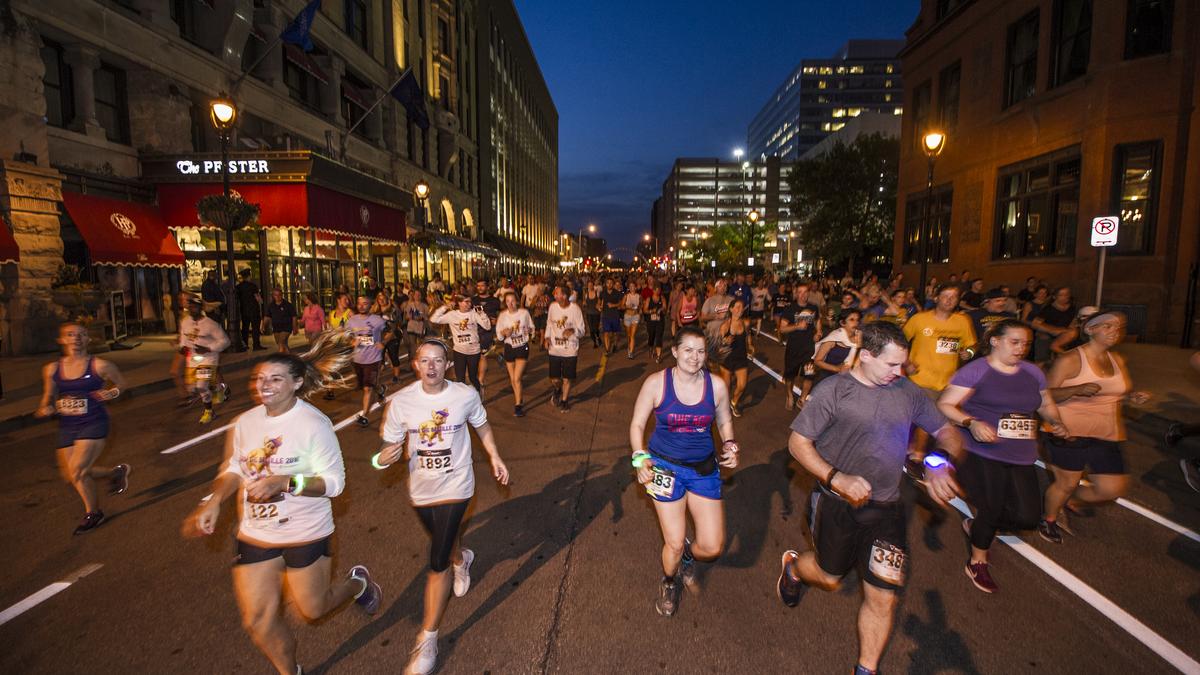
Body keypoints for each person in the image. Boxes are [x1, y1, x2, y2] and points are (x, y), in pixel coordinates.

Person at [183, 334, 381, 675]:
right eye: (259, 378)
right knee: (258, 621)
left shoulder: (314, 425)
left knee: (313, 608)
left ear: (297, 383)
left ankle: (357, 583)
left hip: (306, 533)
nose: (264, 385)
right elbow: (232, 468)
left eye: (275, 378)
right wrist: (215, 500)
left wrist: (286, 481)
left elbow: (334, 484)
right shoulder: (244, 423)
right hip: (257, 534)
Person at [776, 322, 964, 675]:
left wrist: (941, 463)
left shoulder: (908, 392)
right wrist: (837, 477)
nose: (900, 372)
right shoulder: (834, 391)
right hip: (836, 503)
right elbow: (797, 444)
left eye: (903, 364)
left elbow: (947, 431)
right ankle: (793, 568)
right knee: (829, 576)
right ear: (865, 357)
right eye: (892, 365)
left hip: (887, 509)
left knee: (883, 596)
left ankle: (866, 669)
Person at [375, 339, 510, 675]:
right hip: (421, 489)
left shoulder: (464, 395)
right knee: (446, 543)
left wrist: (494, 455)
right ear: (416, 365)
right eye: (425, 360)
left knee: (436, 561)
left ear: (448, 364)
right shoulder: (402, 402)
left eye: (438, 360)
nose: (432, 366)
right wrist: (382, 458)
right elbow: (385, 449)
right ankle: (462, 559)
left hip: (457, 484)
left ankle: (427, 639)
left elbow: (482, 424)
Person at [937, 320, 1069, 592]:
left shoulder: (1033, 373)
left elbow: (1044, 403)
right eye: (1015, 342)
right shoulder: (977, 370)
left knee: (1028, 517)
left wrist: (1055, 421)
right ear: (995, 341)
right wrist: (971, 422)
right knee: (993, 506)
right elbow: (946, 404)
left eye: (1026, 343)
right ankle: (978, 561)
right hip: (981, 451)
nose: (1021, 348)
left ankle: (978, 525)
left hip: (1021, 453)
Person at [628, 327, 739, 617]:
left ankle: (690, 556)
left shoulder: (716, 386)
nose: (695, 357)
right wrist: (640, 459)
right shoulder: (656, 383)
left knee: (713, 546)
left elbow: (725, 421)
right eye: (688, 350)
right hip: (664, 467)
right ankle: (669, 581)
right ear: (675, 351)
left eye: (700, 351)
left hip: (703, 469)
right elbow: (637, 425)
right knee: (674, 542)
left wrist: (729, 444)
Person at [1039, 311, 1149, 543]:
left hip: (1107, 433)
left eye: (1118, 327)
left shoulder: (1117, 360)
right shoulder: (1070, 360)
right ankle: (1049, 518)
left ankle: (1068, 499)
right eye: (1107, 326)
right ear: (1090, 329)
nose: (1114, 331)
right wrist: (1075, 390)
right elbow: (1044, 396)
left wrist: (1132, 398)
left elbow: (1117, 393)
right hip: (1068, 432)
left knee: (1111, 489)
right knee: (1066, 483)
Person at [35, 322, 130, 535]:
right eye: (70, 334)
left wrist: (111, 393)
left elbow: (122, 385)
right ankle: (115, 473)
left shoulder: (100, 366)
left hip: (94, 422)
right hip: (68, 424)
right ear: (62, 340)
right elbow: (48, 396)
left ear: (88, 340)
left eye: (81, 334)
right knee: (71, 474)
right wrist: (45, 407)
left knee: (77, 469)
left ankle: (92, 513)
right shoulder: (51, 369)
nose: (76, 338)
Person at [180, 297, 232, 424]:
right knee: (192, 387)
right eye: (190, 306)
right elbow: (183, 336)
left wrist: (208, 348)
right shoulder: (185, 322)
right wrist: (182, 346)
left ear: (201, 308)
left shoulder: (211, 324)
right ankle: (221, 388)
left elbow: (226, 341)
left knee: (201, 386)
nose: (192, 309)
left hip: (208, 358)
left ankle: (209, 412)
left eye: (195, 307)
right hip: (192, 359)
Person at [430, 295, 491, 392]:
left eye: (470, 302)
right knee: (460, 379)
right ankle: (463, 400)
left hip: (473, 351)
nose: (469, 304)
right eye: (466, 301)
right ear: (459, 303)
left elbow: (487, 327)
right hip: (459, 351)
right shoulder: (452, 315)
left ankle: (479, 394)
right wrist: (445, 307)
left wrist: (482, 313)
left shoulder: (474, 314)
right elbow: (433, 319)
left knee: (472, 377)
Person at [347, 295, 388, 428]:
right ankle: (381, 389)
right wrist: (351, 341)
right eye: (359, 304)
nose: (362, 306)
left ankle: (364, 415)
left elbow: (392, 331)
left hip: (373, 358)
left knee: (367, 388)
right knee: (368, 385)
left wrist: (383, 342)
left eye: (365, 304)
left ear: (370, 305)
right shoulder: (352, 321)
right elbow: (346, 337)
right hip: (357, 359)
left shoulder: (378, 320)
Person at [780, 283, 822, 411]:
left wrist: (819, 333)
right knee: (790, 376)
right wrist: (797, 326)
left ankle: (802, 399)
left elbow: (818, 321)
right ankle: (789, 395)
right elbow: (782, 329)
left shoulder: (813, 307)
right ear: (796, 293)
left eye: (805, 292)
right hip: (793, 349)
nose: (803, 295)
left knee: (809, 375)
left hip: (809, 350)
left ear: (808, 293)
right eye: (800, 292)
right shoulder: (790, 309)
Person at [545, 285, 587, 412]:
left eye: (557, 293)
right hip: (554, 349)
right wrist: (547, 337)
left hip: (570, 350)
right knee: (555, 379)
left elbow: (582, 331)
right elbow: (549, 323)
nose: (554, 295)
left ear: (564, 296)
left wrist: (573, 330)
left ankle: (564, 401)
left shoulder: (575, 309)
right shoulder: (552, 306)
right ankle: (557, 389)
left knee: (567, 378)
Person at [495, 292, 534, 416]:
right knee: (513, 379)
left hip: (522, 347)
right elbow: (499, 336)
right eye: (507, 301)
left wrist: (530, 330)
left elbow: (532, 328)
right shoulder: (502, 316)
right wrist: (504, 333)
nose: (510, 304)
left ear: (517, 301)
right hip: (509, 348)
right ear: (505, 302)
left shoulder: (524, 313)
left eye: (512, 301)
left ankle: (518, 405)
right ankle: (519, 398)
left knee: (517, 378)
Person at [718, 299, 753, 417]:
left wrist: (750, 345)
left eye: (741, 307)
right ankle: (725, 404)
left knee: (742, 385)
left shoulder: (745, 323)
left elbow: (748, 335)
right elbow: (719, 346)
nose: (740, 309)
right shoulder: (725, 326)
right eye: (737, 307)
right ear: (731, 309)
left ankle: (734, 402)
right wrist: (725, 342)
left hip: (741, 358)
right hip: (727, 359)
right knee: (726, 388)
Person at [812, 309, 862, 383]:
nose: (856, 323)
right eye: (851, 320)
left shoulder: (859, 338)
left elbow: (859, 361)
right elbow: (817, 361)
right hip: (826, 378)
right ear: (842, 323)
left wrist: (859, 342)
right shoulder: (834, 338)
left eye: (857, 320)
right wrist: (837, 369)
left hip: (846, 379)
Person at [1030, 286, 1075, 363]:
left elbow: (1072, 321)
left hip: (1062, 335)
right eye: (1061, 295)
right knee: (1042, 359)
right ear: (1055, 297)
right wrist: (1052, 330)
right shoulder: (1048, 309)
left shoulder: (1072, 307)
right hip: (1046, 335)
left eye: (1067, 294)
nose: (1065, 297)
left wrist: (1070, 328)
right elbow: (1035, 324)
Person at [967, 289, 1017, 354]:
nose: (1002, 303)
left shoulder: (1010, 317)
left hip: (1002, 353)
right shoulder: (974, 315)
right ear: (987, 302)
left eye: (1004, 300)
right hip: (979, 352)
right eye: (998, 301)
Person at [471, 279, 502, 385]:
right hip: (474, 330)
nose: (480, 288)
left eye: (482, 286)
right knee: (477, 355)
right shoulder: (473, 300)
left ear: (487, 287)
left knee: (482, 354)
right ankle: (497, 355)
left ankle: (480, 380)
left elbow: (503, 313)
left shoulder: (495, 300)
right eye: (478, 286)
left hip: (487, 332)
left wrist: (498, 320)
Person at [700, 278, 733, 365]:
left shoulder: (731, 300)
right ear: (716, 288)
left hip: (726, 334)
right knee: (711, 361)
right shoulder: (710, 300)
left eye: (725, 285)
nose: (723, 287)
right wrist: (715, 316)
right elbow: (702, 317)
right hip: (712, 335)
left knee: (725, 360)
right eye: (720, 285)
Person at [402, 289, 431, 373]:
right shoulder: (410, 305)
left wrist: (422, 318)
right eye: (416, 294)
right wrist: (414, 317)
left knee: (420, 347)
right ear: (413, 296)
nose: (417, 296)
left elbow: (427, 317)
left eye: (419, 294)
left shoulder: (424, 305)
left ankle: (420, 365)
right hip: (411, 327)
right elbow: (407, 316)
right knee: (412, 346)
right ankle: (411, 365)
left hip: (420, 328)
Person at [236, 269, 265, 350]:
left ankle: (245, 345)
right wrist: (261, 302)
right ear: (249, 276)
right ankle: (256, 345)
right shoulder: (253, 286)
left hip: (244, 310)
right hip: (254, 310)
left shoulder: (239, 287)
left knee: (245, 328)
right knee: (255, 328)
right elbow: (258, 298)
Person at [265, 287, 298, 353]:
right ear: (273, 296)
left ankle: (281, 358)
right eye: (276, 295)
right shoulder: (271, 305)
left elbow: (294, 316)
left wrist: (294, 327)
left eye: (279, 295)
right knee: (282, 344)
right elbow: (267, 316)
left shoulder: (288, 305)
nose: (278, 297)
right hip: (276, 328)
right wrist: (263, 326)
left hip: (286, 327)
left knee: (281, 342)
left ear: (282, 295)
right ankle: (290, 357)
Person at [644, 284, 668, 363]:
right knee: (651, 336)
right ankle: (650, 348)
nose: (658, 291)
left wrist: (661, 309)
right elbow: (645, 310)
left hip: (660, 321)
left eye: (659, 290)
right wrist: (651, 311)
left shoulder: (662, 298)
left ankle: (658, 356)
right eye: (656, 290)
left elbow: (665, 308)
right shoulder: (649, 299)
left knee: (659, 337)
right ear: (653, 290)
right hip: (651, 321)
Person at [600, 277, 624, 355]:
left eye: (611, 283)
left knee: (615, 333)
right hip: (606, 315)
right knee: (606, 333)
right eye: (608, 283)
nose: (609, 284)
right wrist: (598, 306)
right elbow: (600, 302)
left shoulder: (617, 293)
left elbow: (621, 303)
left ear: (613, 284)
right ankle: (607, 350)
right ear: (605, 284)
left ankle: (615, 344)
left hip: (615, 315)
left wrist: (613, 305)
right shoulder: (603, 293)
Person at [622, 281, 643, 359]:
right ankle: (629, 347)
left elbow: (641, 304)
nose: (632, 288)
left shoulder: (639, 296)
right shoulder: (626, 296)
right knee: (629, 335)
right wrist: (628, 307)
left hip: (635, 316)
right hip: (627, 316)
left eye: (633, 286)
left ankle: (631, 352)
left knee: (633, 335)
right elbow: (622, 306)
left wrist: (640, 309)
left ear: (636, 287)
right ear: (629, 288)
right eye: (630, 286)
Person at [584, 280, 602, 348]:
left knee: (595, 328)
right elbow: (585, 303)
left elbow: (599, 301)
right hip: (589, 313)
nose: (590, 286)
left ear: (593, 285)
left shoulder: (597, 293)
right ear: (587, 286)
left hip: (596, 313)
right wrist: (584, 304)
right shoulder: (586, 294)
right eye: (589, 285)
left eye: (591, 285)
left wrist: (598, 304)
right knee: (591, 329)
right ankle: (594, 343)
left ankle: (598, 337)